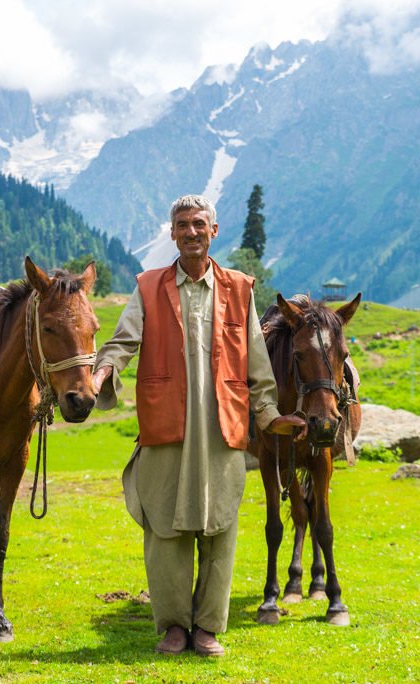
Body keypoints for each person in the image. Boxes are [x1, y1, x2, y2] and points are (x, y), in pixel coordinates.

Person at [91, 194, 306, 657]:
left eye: (199, 224)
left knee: (220, 527)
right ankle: (173, 626)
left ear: (213, 231)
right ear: (172, 233)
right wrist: (104, 370)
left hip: (222, 427)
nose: (191, 232)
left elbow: (257, 365)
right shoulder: (149, 286)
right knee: (164, 528)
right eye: (183, 225)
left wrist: (270, 416)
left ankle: (207, 627)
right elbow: (122, 340)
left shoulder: (240, 289)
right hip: (164, 424)